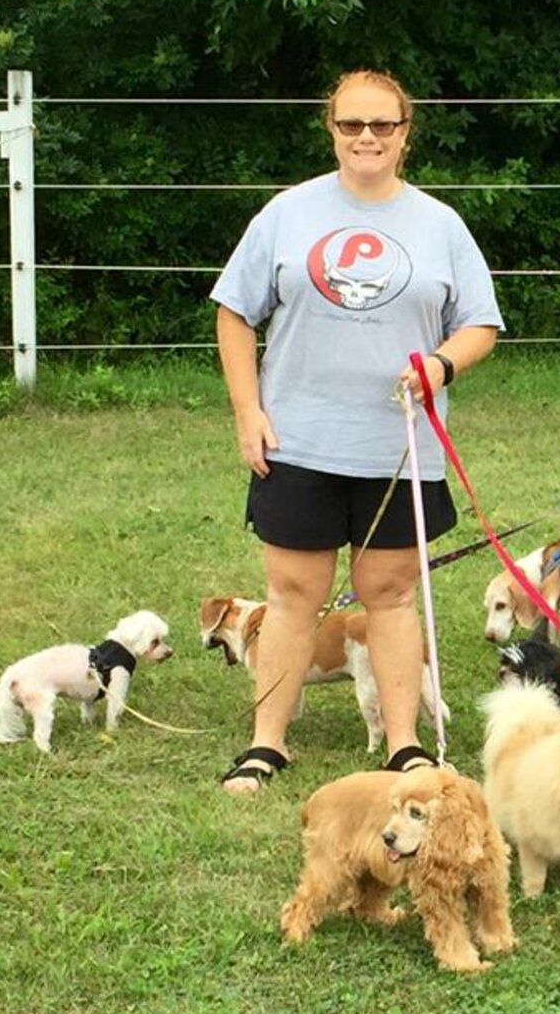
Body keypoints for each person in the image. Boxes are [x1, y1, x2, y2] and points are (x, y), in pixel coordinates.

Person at [210, 69, 503, 792]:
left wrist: (440, 365)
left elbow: (481, 324)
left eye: (382, 125)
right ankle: (267, 743)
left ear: (405, 133)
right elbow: (234, 313)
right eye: (351, 125)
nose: (367, 138)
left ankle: (403, 744)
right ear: (331, 130)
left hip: (399, 446)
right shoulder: (287, 213)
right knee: (291, 593)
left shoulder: (440, 224)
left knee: (392, 594)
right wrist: (249, 411)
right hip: (299, 441)